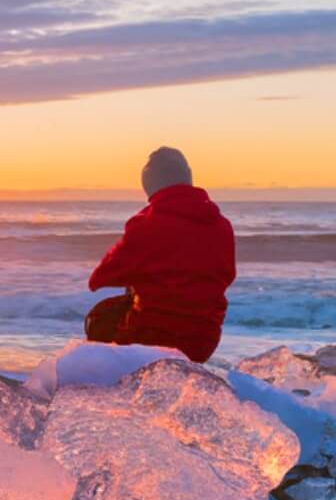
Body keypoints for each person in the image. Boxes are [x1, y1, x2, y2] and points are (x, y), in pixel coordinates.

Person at [84, 147, 235, 362]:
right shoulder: (222, 226)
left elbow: (99, 279)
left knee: (99, 318)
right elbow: (226, 276)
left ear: (149, 184)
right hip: (203, 341)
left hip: (150, 336)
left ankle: (110, 389)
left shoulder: (145, 224)